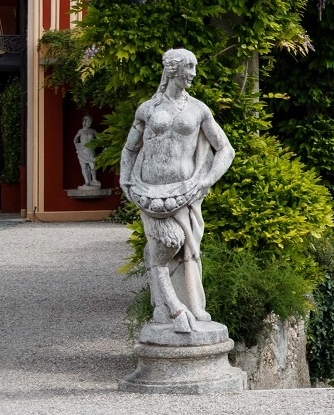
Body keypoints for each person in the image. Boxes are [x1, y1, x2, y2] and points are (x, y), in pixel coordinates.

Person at [120, 50, 233, 334]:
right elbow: (130, 148)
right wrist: (125, 178)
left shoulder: (199, 109)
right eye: (189, 67)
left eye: (195, 67)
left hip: (186, 192)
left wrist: (206, 181)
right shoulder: (146, 109)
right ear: (172, 70)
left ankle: (188, 306)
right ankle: (169, 308)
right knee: (167, 245)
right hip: (149, 192)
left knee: (187, 250)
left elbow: (225, 149)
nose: (193, 73)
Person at [73, 115, 100, 189]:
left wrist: (102, 143)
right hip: (82, 150)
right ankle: (87, 181)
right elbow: (75, 139)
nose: (90, 123)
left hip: (91, 150)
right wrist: (77, 148)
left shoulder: (93, 131)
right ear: (84, 122)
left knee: (93, 166)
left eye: (91, 121)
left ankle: (94, 180)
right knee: (84, 167)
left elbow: (100, 139)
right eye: (88, 121)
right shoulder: (80, 131)